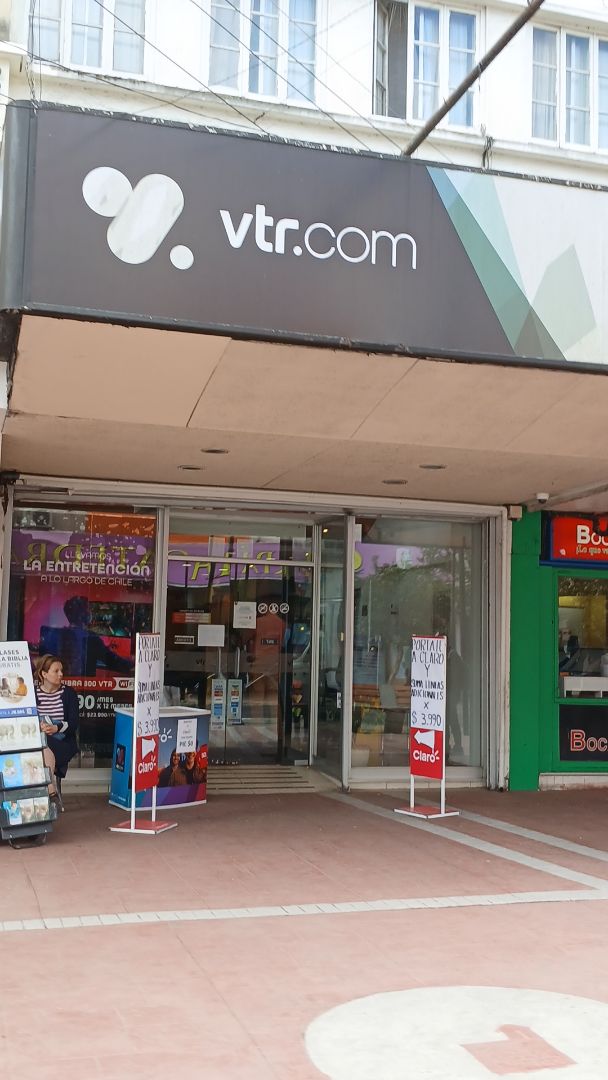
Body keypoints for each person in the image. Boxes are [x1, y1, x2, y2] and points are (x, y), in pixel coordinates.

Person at [34, 654, 79, 802]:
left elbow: (73, 724)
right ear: (44, 674)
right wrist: (38, 726)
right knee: (42, 743)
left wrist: (56, 728)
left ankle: (47, 787)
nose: (61, 674)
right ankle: (49, 786)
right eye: (56, 671)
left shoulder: (69, 693)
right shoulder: (32, 693)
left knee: (43, 744)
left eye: (61, 670)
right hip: (38, 742)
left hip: (63, 743)